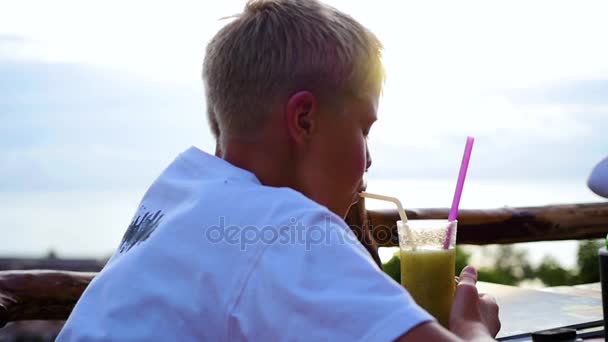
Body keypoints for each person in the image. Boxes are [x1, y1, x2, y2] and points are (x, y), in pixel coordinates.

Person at [57, 0, 500, 340]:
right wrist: (472, 328)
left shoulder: (179, 194)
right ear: (304, 119)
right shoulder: (290, 229)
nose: (368, 160)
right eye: (364, 129)